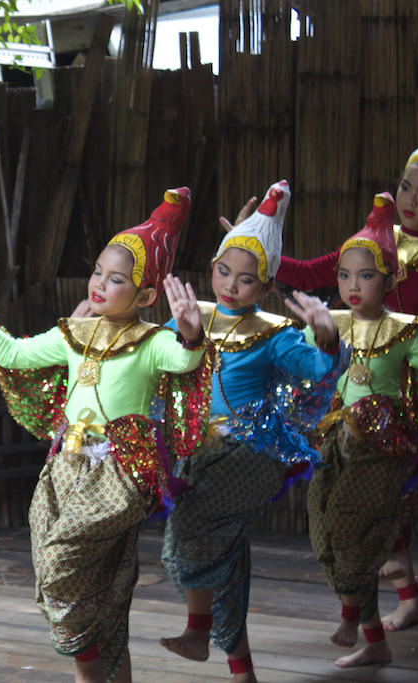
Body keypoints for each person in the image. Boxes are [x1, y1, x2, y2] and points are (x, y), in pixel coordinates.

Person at [232, 107, 418, 631]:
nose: (412, 201)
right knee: (357, 486)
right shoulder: (371, 247)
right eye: (405, 188)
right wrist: (250, 251)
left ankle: (376, 605)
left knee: (391, 491)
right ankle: (389, 602)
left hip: (411, 384)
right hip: (356, 381)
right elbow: (307, 274)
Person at [0, 188, 214, 683]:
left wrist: (192, 335)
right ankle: (99, 669)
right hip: (65, 467)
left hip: (121, 471)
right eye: (97, 271)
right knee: (98, 582)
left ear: (147, 296)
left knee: (61, 563)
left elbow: (186, 361)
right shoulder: (74, 332)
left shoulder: (154, 341)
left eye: (116, 279)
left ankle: (88, 669)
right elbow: (13, 354)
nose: (99, 283)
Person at [158, 180, 348, 683]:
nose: (229, 285)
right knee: (224, 555)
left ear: (264, 287)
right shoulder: (191, 315)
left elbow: (314, 370)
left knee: (190, 520)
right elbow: (161, 362)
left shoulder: (273, 333)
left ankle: (198, 629)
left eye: (245, 280)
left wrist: (328, 341)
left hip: (255, 450)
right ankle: (241, 670)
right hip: (202, 451)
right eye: (223, 271)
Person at [306, 191, 418, 669]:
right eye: (344, 276)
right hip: (337, 440)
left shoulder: (406, 332)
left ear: (390, 277)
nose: (352, 285)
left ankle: (349, 617)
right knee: (324, 532)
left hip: (382, 447)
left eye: (365, 275)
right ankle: (374, 640)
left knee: (348, 528)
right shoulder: (333, 323)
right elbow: (303, 362)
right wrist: (320, 338)